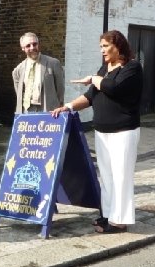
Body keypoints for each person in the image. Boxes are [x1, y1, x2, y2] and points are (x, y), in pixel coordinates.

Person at [50, 30, 143, 234]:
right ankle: (109, 215)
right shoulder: (105, 68)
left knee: (121, 177)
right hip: (102, 131)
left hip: (124, 131)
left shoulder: (132, 68)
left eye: (106, 46)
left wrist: (93, 78)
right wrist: (68, 107)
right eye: (101, 47)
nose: (102, 51)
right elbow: (91, 96)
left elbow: (113, 88)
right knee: (108, 177)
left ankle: (120, 221)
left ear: (118, 46)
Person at [12, 32, 65, 113]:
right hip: (26, 111)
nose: (32, 47)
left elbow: (60, 90)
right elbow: (19, 93)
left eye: (34, 44)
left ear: (38, 44)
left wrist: (59, 107)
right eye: (28, 46)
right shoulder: (18, 70)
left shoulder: (53, 63)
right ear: (23, 48)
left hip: (48, 110)